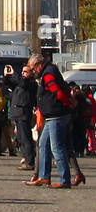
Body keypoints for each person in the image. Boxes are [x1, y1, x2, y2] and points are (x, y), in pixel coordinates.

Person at [25, 52, 75, 189]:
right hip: (51, 116)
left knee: (57, 148)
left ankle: (65, 179)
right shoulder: (49, 71)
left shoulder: (48, 74)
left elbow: (57, 92)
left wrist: (67, 103)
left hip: (56, 114)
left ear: (39, 64)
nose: (33, 71)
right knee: (43, 144)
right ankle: (44, 177)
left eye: (33, 68)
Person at [7, 62, 37, 171]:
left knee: (26, 137)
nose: (23, 74)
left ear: (31, 73)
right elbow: (9, 85)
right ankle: (25, 156)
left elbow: (23, 83)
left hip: (24, 112)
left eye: (25, 72)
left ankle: (30, 161)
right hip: (17, 112)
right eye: (22, 72)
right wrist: (7, 76)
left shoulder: (31, 83)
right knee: (20, 138)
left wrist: (15, 74)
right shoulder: (19, 83)